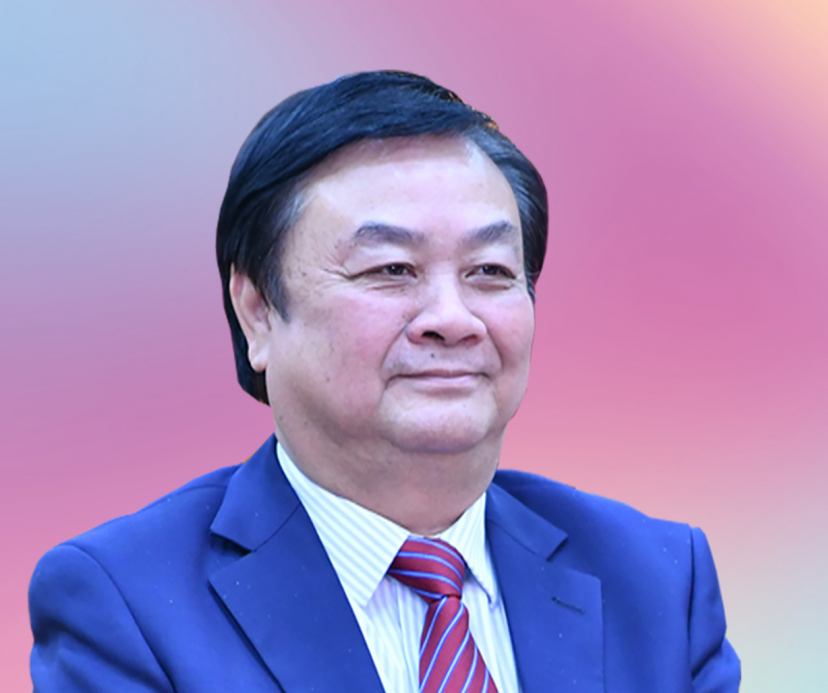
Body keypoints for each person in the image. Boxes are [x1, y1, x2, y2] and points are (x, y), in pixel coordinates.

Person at [29, 70, 741, 692]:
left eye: (490, 271)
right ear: (258, 313)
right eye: (391, 270)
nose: (452, 318)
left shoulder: (654, 579)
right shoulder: (128, 602)